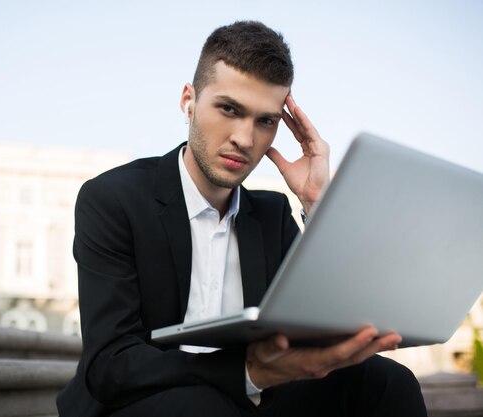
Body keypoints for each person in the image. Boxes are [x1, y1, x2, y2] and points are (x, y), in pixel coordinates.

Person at [56, 21, 427, 417]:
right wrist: (247, 371)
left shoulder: (272, 215)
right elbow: (110, 363)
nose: (245, 139)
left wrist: (317, 204)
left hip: (254, 396)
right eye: (229, 109)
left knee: (390, 383)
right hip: (143, 399)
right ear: (189, 101)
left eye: (265, 121)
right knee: (205, 407)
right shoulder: (113, 199)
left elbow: (338, 321)